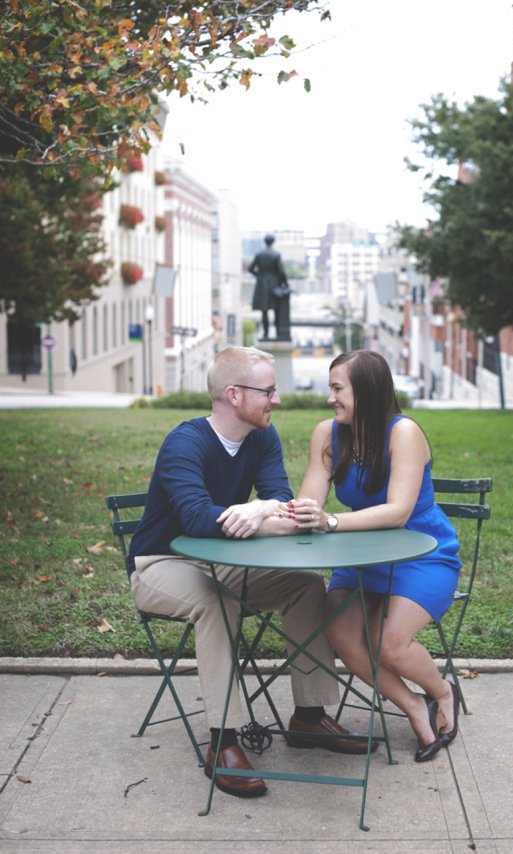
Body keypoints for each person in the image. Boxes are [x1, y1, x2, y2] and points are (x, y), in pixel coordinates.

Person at [128, 346, 372, 800]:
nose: (277, 399)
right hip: (161, 563)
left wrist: (258, 508)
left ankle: (309, 716)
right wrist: (259, 514)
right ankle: (223, 740)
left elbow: (285, 506)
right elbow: (198, 518)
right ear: (234, 394)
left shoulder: (263, 437)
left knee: (305, 586)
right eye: (269, 391)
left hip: (223, 561)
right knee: (214, 602)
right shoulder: (185, 442)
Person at [285, 350, 462, 763]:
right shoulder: (327, 435)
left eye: (337, 388)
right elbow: (311, 499)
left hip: (423, 555)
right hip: (362, 556)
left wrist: (330, 522)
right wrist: (303, 511)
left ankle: (442, 692)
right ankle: (414, 705)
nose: (330, 397)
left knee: (389, 643)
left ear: (365, 390)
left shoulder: (404, 433)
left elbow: (399, 511)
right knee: (340, 629)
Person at [248, 234, 289, 340]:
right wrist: (284, 283)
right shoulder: (276, 254)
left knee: (264, 311)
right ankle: (278, 333)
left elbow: (251, 268)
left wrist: (259, 276)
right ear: (273, 242)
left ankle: (265, 334)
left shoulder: (259, 254)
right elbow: (281, 271)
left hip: (261, 285)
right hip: (273, 284)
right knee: (276, 310)